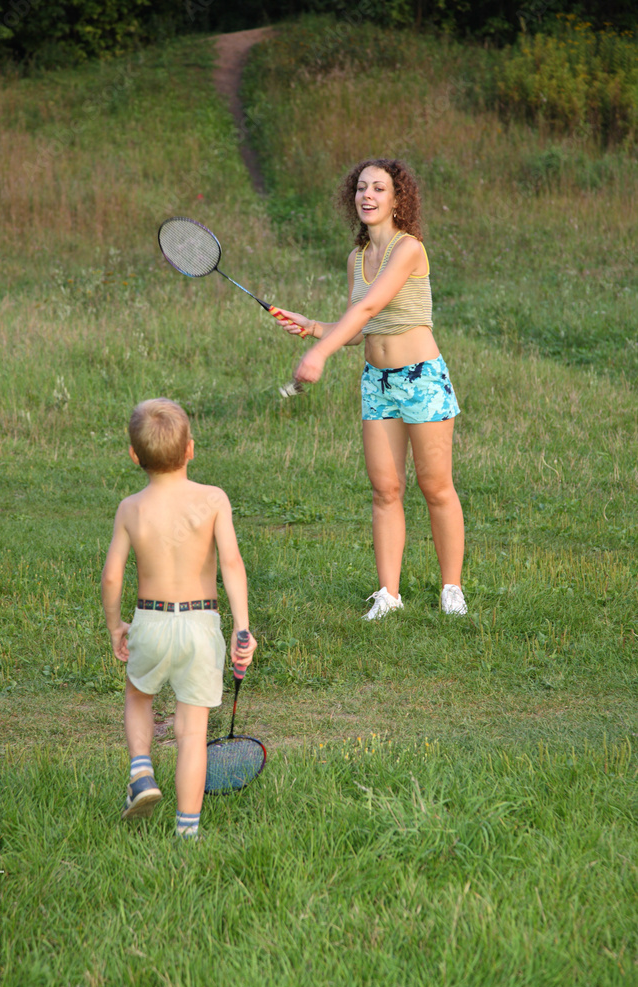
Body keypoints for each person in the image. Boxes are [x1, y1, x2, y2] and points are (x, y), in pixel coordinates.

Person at [275, 158, 467, 620]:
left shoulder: (409, 249)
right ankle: (389, 595)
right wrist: (315, 328)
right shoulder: (355, 259)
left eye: (379, 189)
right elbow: (360, 328)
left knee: (436, 486)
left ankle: (451, 589)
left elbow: (372, 306)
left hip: (421, 377)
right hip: (376, 382)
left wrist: (319, 356)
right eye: (361, 188)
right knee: (385, 489)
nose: (368, 196)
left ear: (398, 200)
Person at [101, 397, 257, 839]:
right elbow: (231, 563)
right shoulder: (212, 500)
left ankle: (142, 771)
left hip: (150, 620)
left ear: (135, 456)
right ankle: (187, 831)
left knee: (137, 696)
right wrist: (241, 628)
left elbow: (112, 578)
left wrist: (116, 625)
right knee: (192, 731)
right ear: (191, 448)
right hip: (201, 624)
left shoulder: (130, 508)